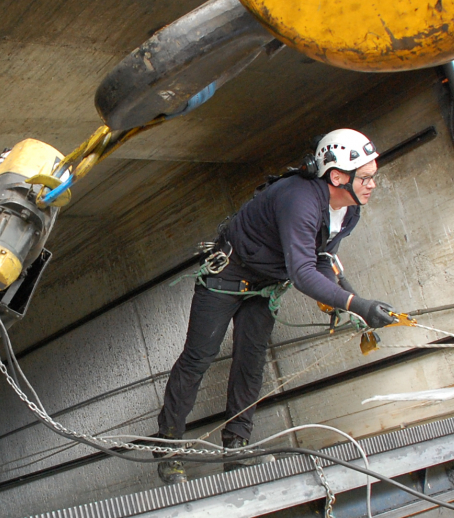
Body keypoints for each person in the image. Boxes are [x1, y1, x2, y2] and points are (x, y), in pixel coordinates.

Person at [152, 129, 397, 483]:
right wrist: (358, 303)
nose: (373, 184)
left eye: (374, 176)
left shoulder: (348, 211)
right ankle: (168, 448)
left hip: (265, 287)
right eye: (367, 177)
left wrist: (351, 301)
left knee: (250, 362)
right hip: (227, 278)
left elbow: (322, 258)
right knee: (198, 357)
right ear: (338, 175)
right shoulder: (300, 199)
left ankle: (236, 448)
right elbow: (302, 272)